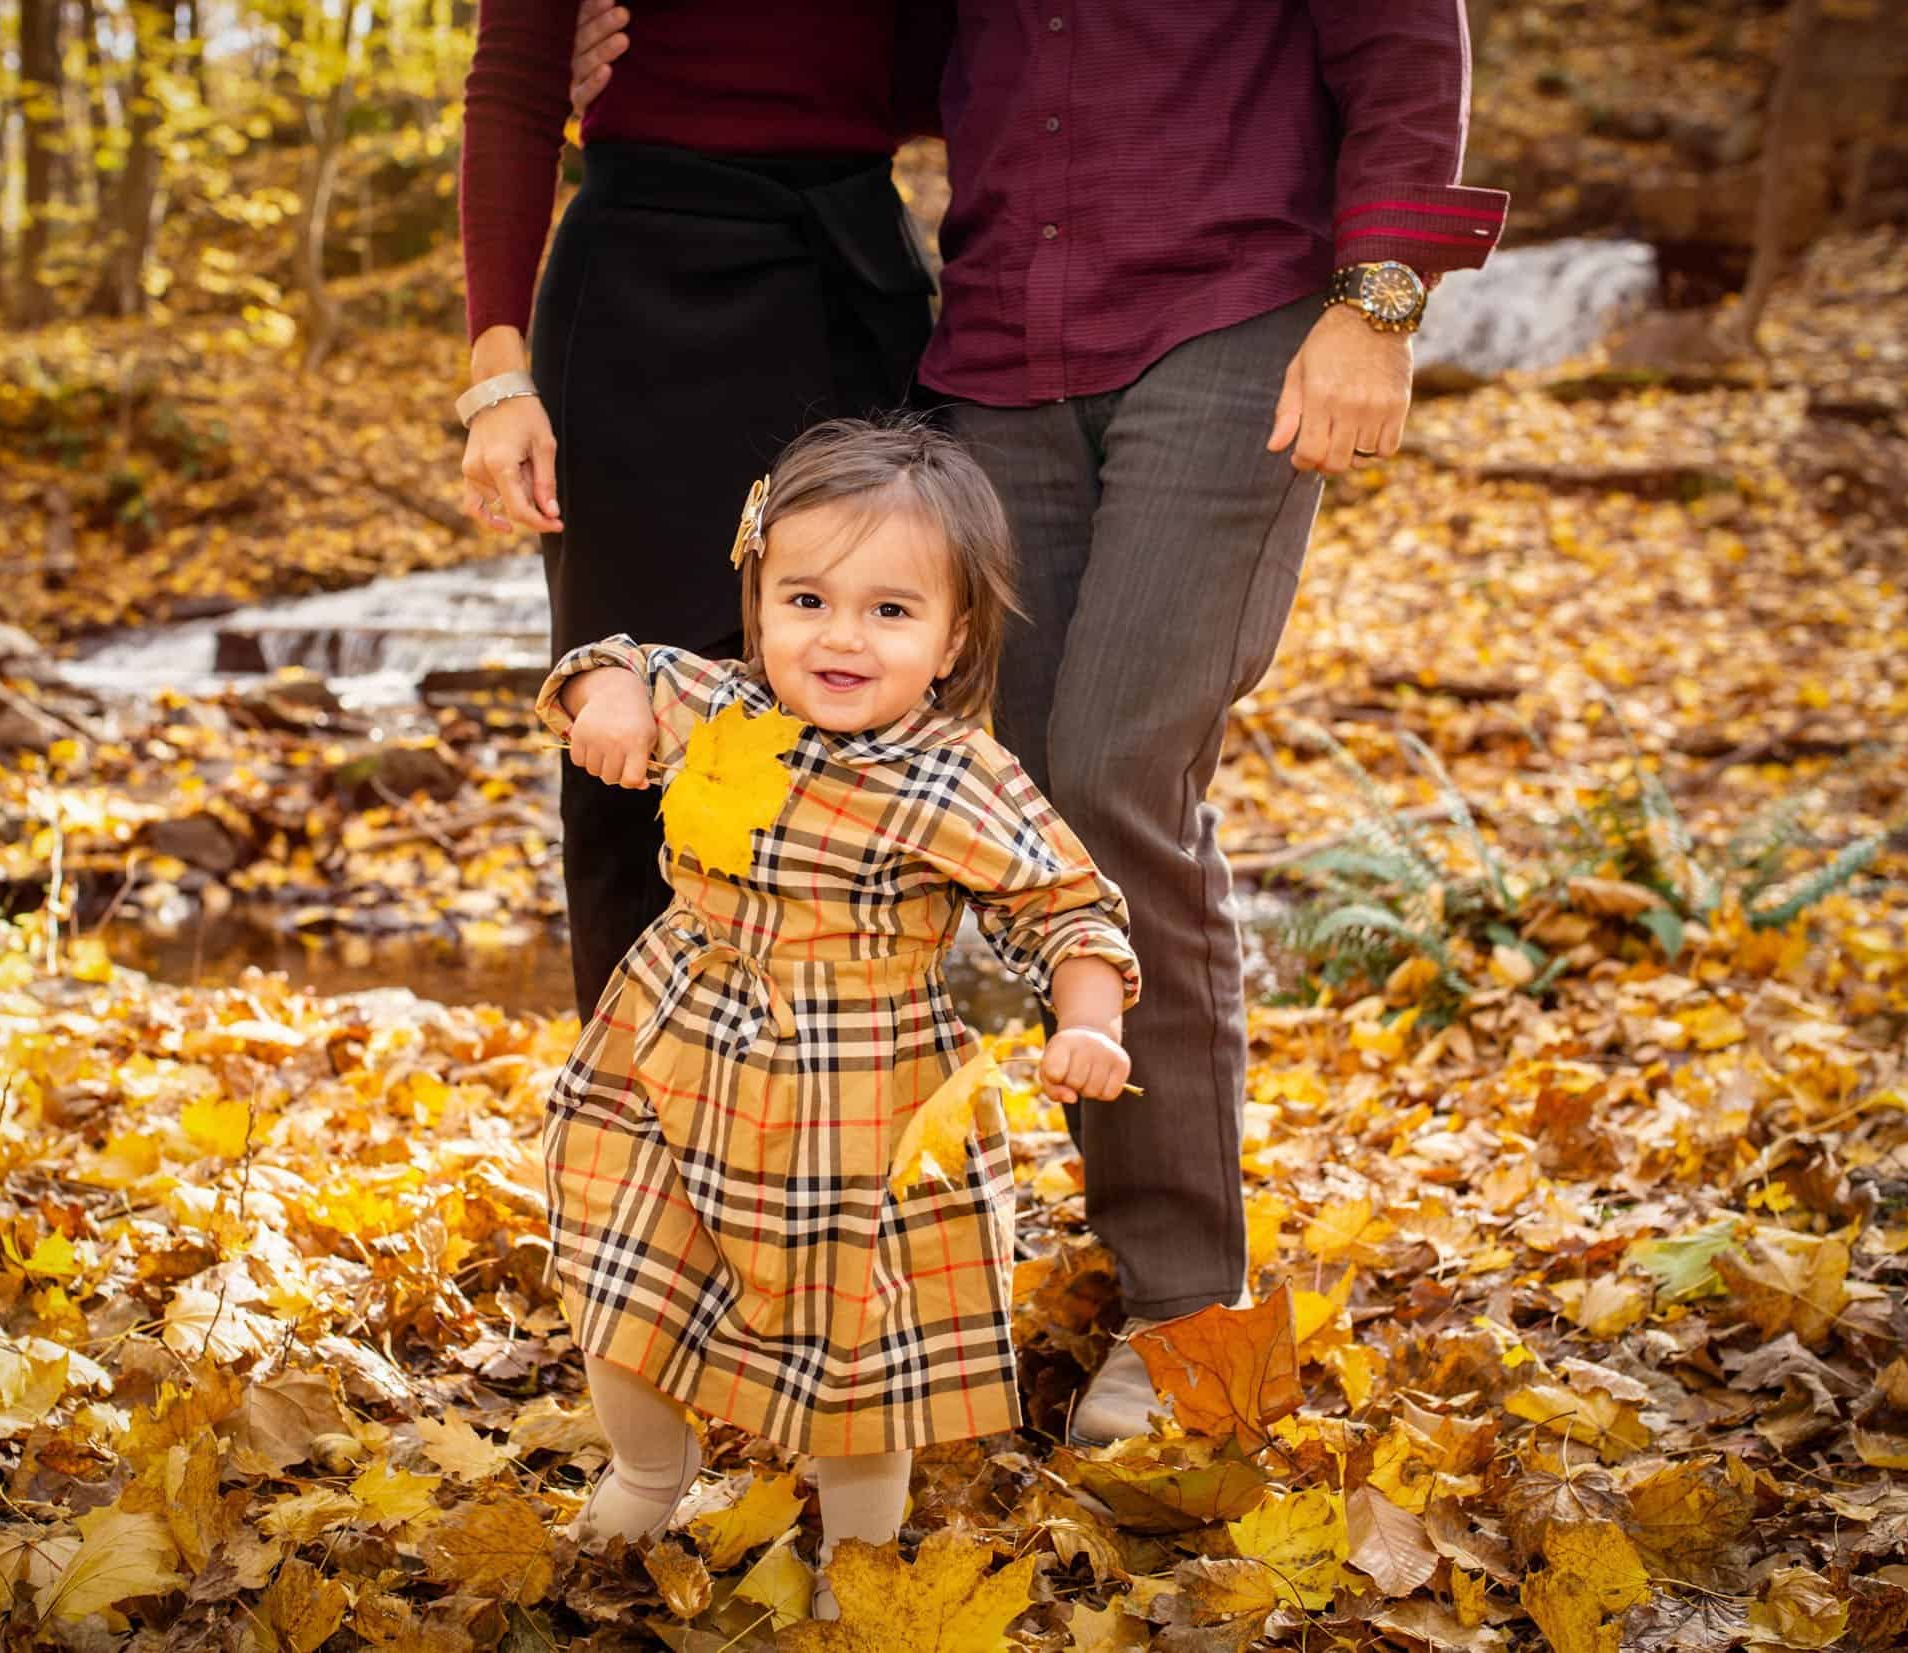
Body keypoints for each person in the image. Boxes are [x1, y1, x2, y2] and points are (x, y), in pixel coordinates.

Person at [568, 0, 1509, 1448]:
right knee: (974, 782)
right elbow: (877, 60)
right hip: (997, 349)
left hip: (1230, 323)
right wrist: (623, 72)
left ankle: (1192, 1311)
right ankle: (799, 1247)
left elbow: (1398, 42)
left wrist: (1378, 302)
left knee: (1118, 770)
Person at [534, 419, 1139, 1604]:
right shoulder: (717, 703)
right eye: (805, 598)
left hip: (858, 1089)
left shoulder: (957, 776)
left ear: (954, 634)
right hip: (674, 1052)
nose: (840, 637)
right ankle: (650, 1473)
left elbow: (1069, 907)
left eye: (890, 612)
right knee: (623, 1278)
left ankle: (854, 1550)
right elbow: (608, 663)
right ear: (757, 597)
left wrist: (1090, 1020)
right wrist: (604, 699)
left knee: (854, 1346)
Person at [456, 1, 950, 1020]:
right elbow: (511, 84)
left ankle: (837, 1103)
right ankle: (635, 1121)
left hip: (854, 278)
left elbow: (954, 61)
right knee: (623, 725)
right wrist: (497, 376)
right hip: (642, 287)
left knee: (864, 706)